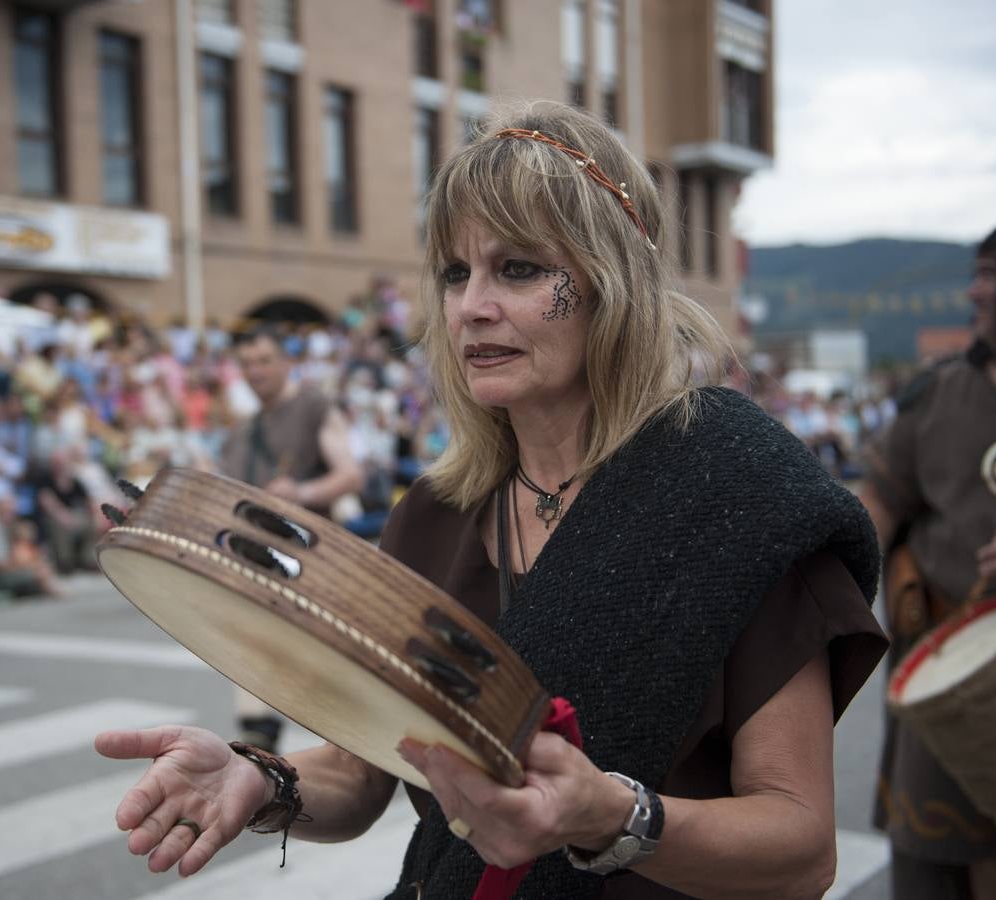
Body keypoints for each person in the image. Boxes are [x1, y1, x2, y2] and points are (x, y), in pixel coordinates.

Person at [94, 102, 888, 898]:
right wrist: (257, 779)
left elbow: (802, 848)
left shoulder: (736, 493)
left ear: (614, 283)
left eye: (518, 269)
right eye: (454, 272)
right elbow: (361, 774)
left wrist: (611, 818)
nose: (472, 305)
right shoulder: (435, 515)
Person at [860, 214, 996, 900]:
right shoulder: (938, 394)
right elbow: (877, 503)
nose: (973, 293)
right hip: (952, 677)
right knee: (942, 870)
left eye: (990, 276)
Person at [216, 324, 366, 752]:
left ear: (286, 363)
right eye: (246, 364)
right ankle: (258, 751)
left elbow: (350, 475)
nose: (255, 371)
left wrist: (301, 492)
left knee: (325, 679)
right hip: (256, 564)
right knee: (249, 651)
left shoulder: (313, 406)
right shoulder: (240, 434)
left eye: (264, 361)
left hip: (311, 560)